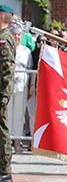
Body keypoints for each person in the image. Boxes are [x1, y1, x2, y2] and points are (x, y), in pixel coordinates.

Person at [0, 6, 17, 182]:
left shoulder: (4, 38)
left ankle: (5, 169)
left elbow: (7, 68)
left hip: (1, 91)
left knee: (1, 130)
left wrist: (2, 93)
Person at [9, 24, 29, 154]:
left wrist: (31, 86)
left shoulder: (26, 51)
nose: (16, 36)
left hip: (22, 86)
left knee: (18, 116)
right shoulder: (5, 47)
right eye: (14, 34)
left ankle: (17, 143)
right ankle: (7, 143)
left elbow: (30, 68)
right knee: (7, 115)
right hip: (7, 86)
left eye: (18, 34)